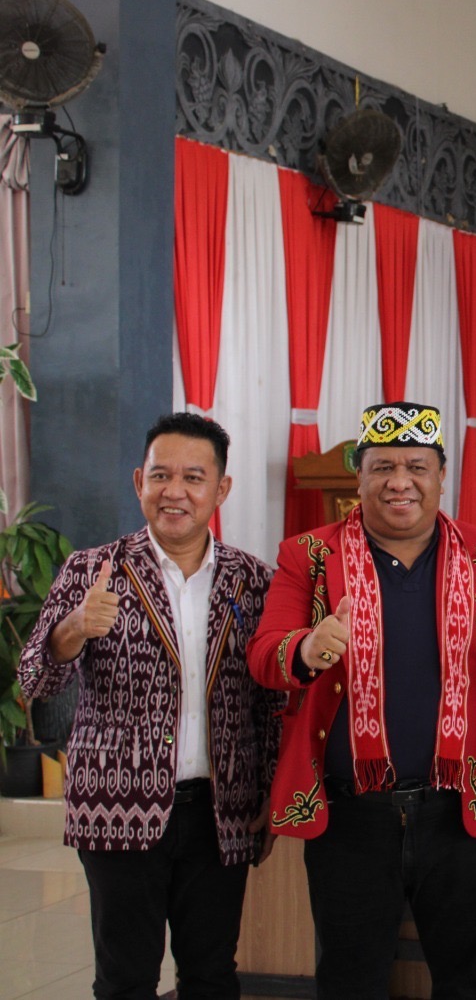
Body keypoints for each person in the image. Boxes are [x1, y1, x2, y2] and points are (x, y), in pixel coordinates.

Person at [247, 401, 476, 998]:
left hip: (463, 811)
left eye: (416, 466)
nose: (399, 481)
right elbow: (264, 655)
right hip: (350, 815)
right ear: (359, 477)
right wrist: (308, 648)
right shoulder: (308, 555)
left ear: (442, 476)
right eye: (382, 467)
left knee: (473, 981)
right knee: (350, 981)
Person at [18, 412, 278, 998]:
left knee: (211, 974)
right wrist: (73, 629)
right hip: (115, 805)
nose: (174, 491)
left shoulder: (253, 581)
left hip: (221, 813)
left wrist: (270, 793)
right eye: (161, 475)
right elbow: (34, 681)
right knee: (125, 977)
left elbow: (268, 702)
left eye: (193, 477)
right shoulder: (91, 570)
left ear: (221, 489)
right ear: (139, 482)